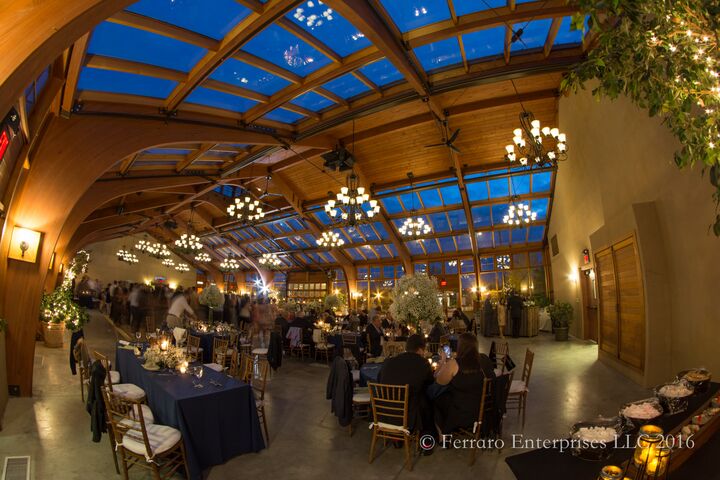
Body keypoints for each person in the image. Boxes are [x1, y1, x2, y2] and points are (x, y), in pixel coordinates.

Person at [378, 334, 436, 453]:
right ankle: (426, 443)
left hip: (384, 414)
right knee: (426, 400)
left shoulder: (389, 361)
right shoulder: (422, 363)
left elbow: (380, 380)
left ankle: (397, 439)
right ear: (420, 349)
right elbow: (431, 383)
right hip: (408, 417)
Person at [434, 333, 496, 434]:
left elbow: (438, 381)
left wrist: (442, 362)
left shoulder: (454, 364)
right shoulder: (484, 359)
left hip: (462, 412)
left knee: (435, 397)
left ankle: (442, 434)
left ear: (460, 346)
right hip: (484, 409)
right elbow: (493, 377)